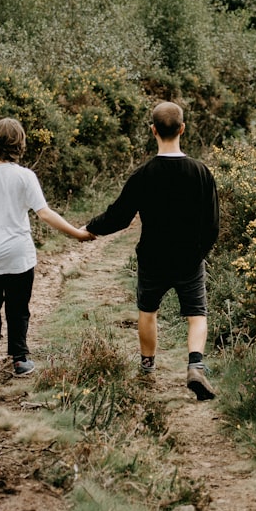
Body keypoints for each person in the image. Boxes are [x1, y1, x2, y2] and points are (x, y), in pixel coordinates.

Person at [86, 101, 220, 400]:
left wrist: (90, 229)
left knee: (148, 311)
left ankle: (147, 368)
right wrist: (199, 253)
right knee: (197, 314)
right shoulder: (201, 172)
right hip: (189, 258)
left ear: (153, 130)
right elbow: (212, 225)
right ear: (183, 128)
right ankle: (195, 365)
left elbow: (119, 216)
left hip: (153, 257)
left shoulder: (143, 174)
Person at [0, 117, 93, 377]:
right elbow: (44, 214)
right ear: (19, 144)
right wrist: (76, 233)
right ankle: (20, 359)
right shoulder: (25, 176)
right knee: (18, 306)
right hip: (18, 253)